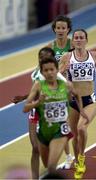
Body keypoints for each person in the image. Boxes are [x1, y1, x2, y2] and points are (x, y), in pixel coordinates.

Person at [23, 56, 87, 176]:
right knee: (47, 166)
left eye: (52, 69)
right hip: (44, 130)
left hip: (60, 130)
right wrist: (38, 103)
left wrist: (82, 111)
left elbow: (77, 95)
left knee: (52, 166)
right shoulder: (38, 86)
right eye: (46, 70)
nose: (49, 72)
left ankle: (68, 158)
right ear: (41, 72)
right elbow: (25, 108)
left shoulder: (66, 85)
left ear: (57, 70)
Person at [59, 28, 96, 179]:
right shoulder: (67, 57)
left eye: (82, 37)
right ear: (73, 41)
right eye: (76, 37)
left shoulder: (94, 55)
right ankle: (78, 164)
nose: (79, 40)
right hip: (72, 101)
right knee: (74, 135)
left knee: (81, 128)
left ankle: (81, 158)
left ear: (86, 40)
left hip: (89, 100)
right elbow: (56, 76)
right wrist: (62, 70)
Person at [12, 47, 57, 179]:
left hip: (50, 112)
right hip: (35, 110)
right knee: (35, 148)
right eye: (40, 57)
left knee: (47, 149)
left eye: (46, 57)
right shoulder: (35, 73)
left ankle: (51, 173)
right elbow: (35, 91)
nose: (42, 59)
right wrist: (24, 98)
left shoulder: (56, 74)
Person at [47, 15, 74, 169]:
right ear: (54, 29)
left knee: (72, 125)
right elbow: (45, 67)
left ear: (68, 30)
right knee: (61, 124)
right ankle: (68, 156)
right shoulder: (51, 46)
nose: (60, 30)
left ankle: (74, 155)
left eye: (63, 28)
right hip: (57, 89)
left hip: (73, 87)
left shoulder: (73, 44)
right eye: (58, 28)